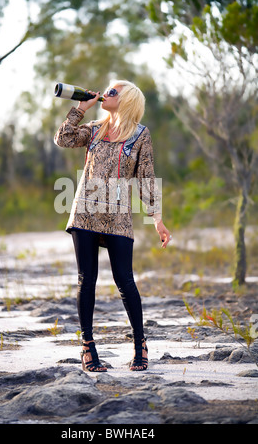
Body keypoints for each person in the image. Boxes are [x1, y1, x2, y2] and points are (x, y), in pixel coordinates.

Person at [54, 80, 171, 372]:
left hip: (118, 216)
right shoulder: (94, 129)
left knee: (125, 281)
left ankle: (140, 345)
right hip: (85, 213)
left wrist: (157, 219)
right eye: (107, 89)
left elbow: (146, 178)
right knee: (87, 279)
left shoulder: (141, 135)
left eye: (113, 92)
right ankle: (88, 346)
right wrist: (79, 109)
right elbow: (63, 138)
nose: (105, 93)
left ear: (128, 99)